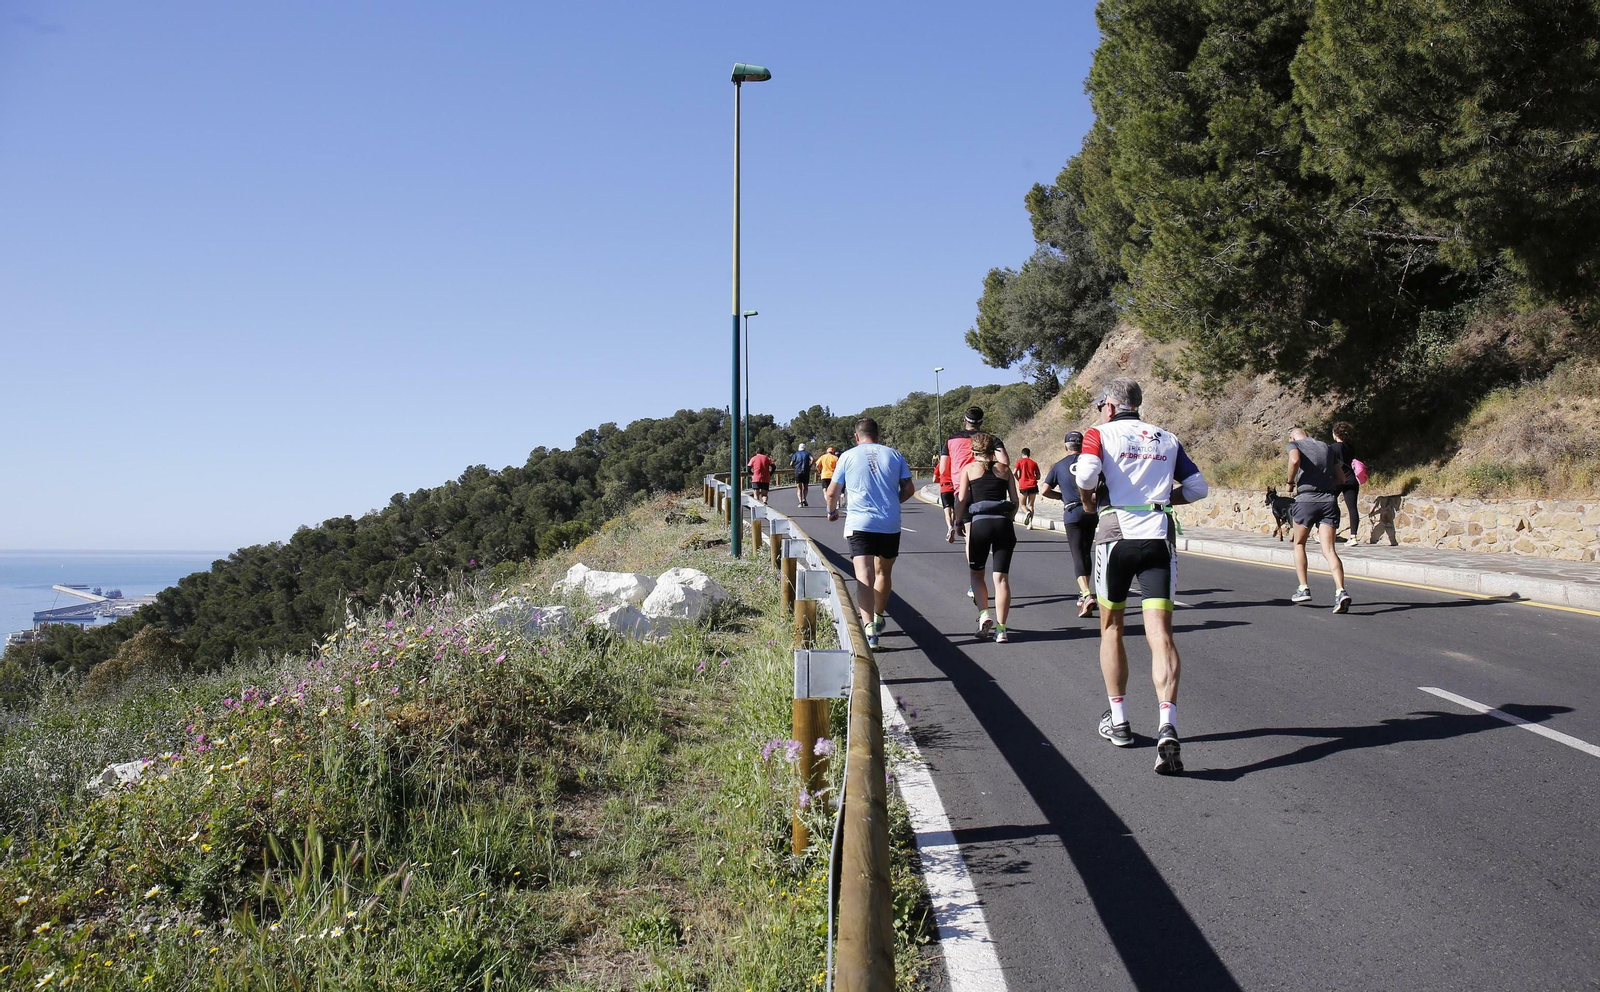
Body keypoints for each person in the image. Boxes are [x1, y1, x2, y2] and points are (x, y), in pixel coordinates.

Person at [1074, 376, 1209, 775]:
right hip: (1158, 538)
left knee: (1112, 627)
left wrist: (1087, 501)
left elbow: (1085, 477)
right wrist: (1167, 498)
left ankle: (1119, 721)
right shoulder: (1167, 438)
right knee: (1161, 635)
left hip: (1115, 536)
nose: (1099, 410)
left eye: (1101, 404)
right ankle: (1168, 723)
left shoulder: (1099, 432)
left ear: (1111, 406)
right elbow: (1198, 488)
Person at [826, 418, 914, 651]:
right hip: (889, 523)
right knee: (883, 572)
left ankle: (869, 630)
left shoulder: (847, 456)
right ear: (877, 434)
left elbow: (832, 492)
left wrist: (832, 511)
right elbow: (909, 489)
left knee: (864, 576)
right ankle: (877, 615)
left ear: (857, 437)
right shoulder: (894, 455)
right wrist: (894, 503)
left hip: (860, 523)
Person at [955, 432, 1020, 642]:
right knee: (1001, 579)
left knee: (976, 575)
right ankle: (1002, 629)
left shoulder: (969, 469)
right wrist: (1009, 518)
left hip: (980, 524)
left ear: (973, 451)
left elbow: (962, 499)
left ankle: (984, 614)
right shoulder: (1005, 470)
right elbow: (1015, 500)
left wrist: (957, 522)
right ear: (994, 450)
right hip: (1003, 524)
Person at [1287, 427, 1352, 613]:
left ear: (1293, 436)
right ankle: (1340, 591)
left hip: (1306, 500)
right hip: (1329, 501)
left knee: (1299, 543)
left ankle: (1303, 588)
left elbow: (1294, 460)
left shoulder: (1294, 444)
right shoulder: (1326, 447)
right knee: (1329, 550)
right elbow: (1341, 477)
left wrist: (1290, 482)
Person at [945, 406, 1008, 600]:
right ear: (981, 422)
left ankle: (975, 580)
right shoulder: (991, 439)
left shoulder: (951, 440)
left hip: (961, 488)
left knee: (970, 537)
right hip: (987, 487)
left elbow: (942, 467)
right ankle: (984, 580)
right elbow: (1004, 461)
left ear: (965, 421)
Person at [1038, 430, 1099, 618]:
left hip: (1072, 512)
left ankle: (1087, 594)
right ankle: (1083, 593)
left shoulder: (1059, 466)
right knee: (1087, 551)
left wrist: (1062, 497)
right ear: (1082, 445)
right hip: (1091, 511)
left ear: (1066, 447)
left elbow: (1044, 490)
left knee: (1077, 553)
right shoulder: (1092, 463)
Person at [1329, 422, 1359, 543]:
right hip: (1352, 479)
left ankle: (1328, 532)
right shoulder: (1350, 447)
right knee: (1352, 508)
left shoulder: (1333, 447)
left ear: (1335, 433)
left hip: (1338, 479)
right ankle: (1353, 537)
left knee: (1330, 505)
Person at [934, 450, 958, 542]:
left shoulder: (940, 465)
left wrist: (941, 481)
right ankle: (951, 528)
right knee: (953, 511)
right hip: (954, 488)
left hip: (945, 489)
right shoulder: (955, 464)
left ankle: (949, 527)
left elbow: (934, 479)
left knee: (947, 512)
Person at [1014, 448, 1041, 525]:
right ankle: (1030, 524)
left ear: (1022, 454)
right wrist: (1034, 478)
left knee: (1022, 504)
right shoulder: (1034, 463)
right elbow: (1038, 476)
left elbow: (1014, 472)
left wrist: (1018, 479)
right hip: (1033, 485)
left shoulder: (1019, 462)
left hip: (1023, 485)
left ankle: (1026, 512)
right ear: (1029, 454)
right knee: (1031, 505)